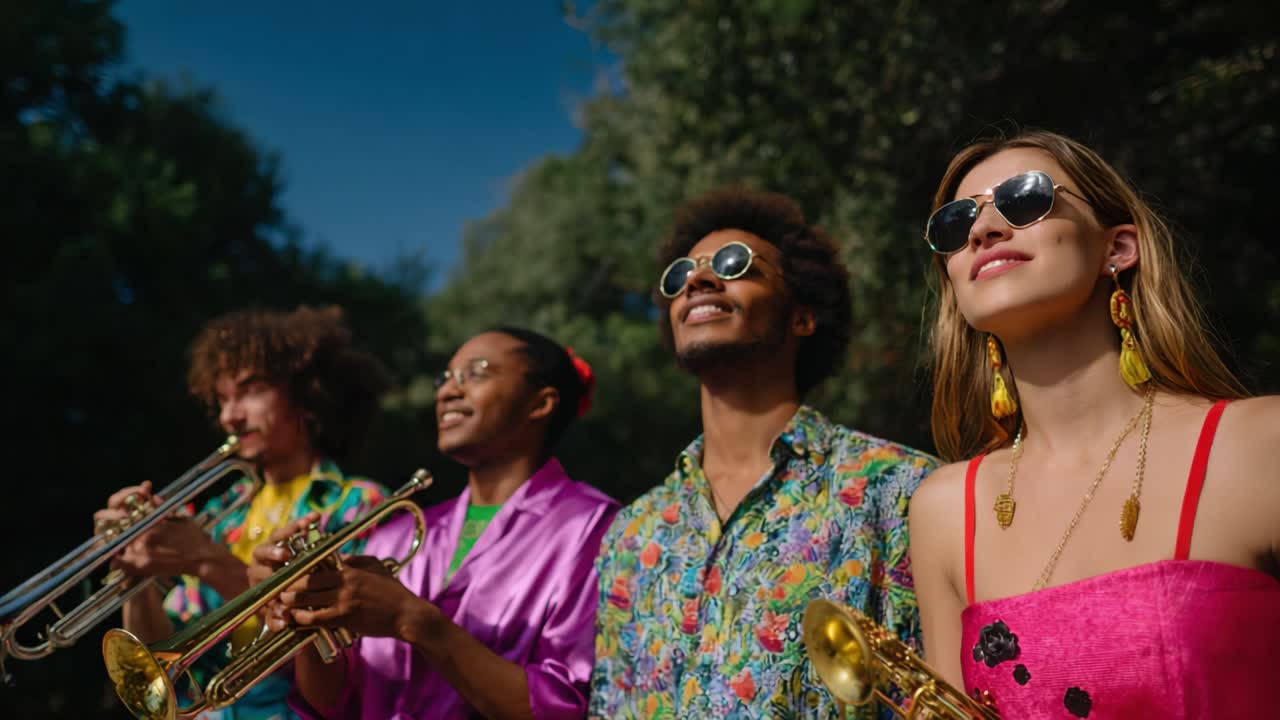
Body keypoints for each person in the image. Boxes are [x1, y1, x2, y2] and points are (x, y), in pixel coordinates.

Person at [908, 130, 1280, 718]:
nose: (983, 230)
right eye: (955, 225)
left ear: (1119, 247)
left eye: (1024, 199)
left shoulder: (1260, 445)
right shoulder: (944, 512)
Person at [588, 189, 938, 717]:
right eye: (681, 274)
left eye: (735, 265)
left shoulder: (898, 489)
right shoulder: (633, 532)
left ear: (802, 317)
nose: (697, 281)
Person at [250, 328, 619, 720]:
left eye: (476, 373)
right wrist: (306, 618)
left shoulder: (594, 527)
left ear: (540, 403)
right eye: (444, 378)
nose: (447, 392)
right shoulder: (398, 534)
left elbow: (565, 708)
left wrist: (414, 620)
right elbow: (337, 703)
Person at [93, 305, 391, 719]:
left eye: (250, 390)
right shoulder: (220, 514)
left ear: (307, 394)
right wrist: (135, 571)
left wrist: (207, 561)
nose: (231, 416)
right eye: (222, 399)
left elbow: (347, 667)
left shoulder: (361, 504)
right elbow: (159, 673)